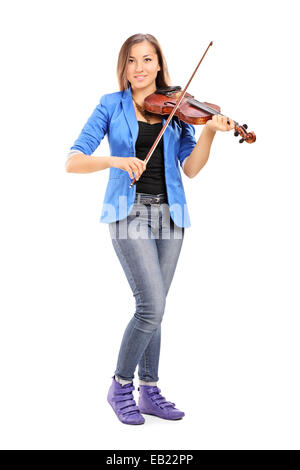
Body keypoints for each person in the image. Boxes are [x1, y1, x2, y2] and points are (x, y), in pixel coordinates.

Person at [65, 33, 235, 425]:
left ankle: (150, 390)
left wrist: (209, 129)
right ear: (123, 66)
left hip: (171, 218)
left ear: (159, 65)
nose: (139, 69)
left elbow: (190, 169)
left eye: (147, 60)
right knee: (151, 307)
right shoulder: (110, 105)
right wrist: (116, 161)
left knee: (155, 311)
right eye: (131, 61)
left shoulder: (177, 110)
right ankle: (120, 386)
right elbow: (73, 160)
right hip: (129, 214)